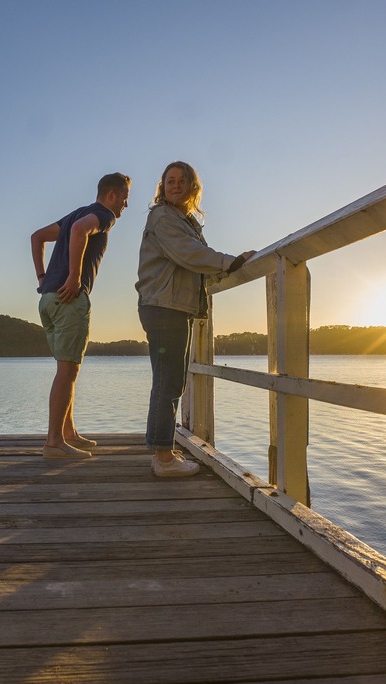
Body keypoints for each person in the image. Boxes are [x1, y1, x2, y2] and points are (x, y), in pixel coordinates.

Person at [136, 161, 253, 477]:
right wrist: (231, 262)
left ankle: (161, 451)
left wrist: (220, 268)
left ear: (191, 187)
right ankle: (163, 458)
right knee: (168, 381)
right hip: (164, 307)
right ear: (163, 186)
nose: (175, 185)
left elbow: (191, 260)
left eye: (181, 181)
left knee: (169, 379)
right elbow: (189, 254)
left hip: (171, 306)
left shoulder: (183, 219)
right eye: (169, 181)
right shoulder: (162, 217)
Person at [31, 172, 131, 459]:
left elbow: (37, 237)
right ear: (112, 195)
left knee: (67, 368)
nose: (125, 206)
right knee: (68, 371)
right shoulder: (103, 215)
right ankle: (54, 443)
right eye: (124, 199)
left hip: (48, 299)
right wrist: (75, 277)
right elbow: (79, 231)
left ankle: (68, 432)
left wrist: (42, 277)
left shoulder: (78, 212)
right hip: (69, 298)